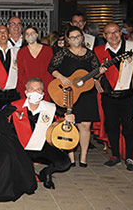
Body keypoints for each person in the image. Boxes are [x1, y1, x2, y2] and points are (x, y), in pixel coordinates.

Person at [0, 77, 73, 199]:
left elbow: (66, 120)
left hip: (41, 147)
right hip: (20, 149)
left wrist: (71, 119)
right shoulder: (13, 107)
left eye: (38, 90)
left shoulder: (51, 108)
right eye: (32, 89)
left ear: (43, 93)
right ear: (26, 92)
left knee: (64, 162)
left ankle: (45, 174)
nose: (35, 92)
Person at [49, 26, 100, 165]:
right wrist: (61, 77)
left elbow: (96, 71)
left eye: (78, 36)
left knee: (85, 126)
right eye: (72, 37)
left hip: (86, 93)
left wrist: (100, 71)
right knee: (71, 124)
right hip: (70, 92)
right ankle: (70, 157)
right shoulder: (63, 53)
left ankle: (83, 157)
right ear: (68, 39)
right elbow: (51, 68)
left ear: (82, 37)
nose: (76, 39)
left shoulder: (90, 54)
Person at [94, 21, 133, 171]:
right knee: (111, 127)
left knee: (130, 127)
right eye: (109, 33)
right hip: (109, 96)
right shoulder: (98, 50)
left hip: (128, 96)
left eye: (115, 32)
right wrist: (96, 79)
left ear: (121, 33)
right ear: (104, 35)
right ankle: (115, 155)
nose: (113, 35)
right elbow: (92, 70)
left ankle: (130, 158)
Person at [0, 23, 20, 113]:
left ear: (9, 35)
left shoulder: (16, 51)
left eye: (5, 32)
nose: (3, 34)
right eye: (0, 32)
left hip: (13, 94)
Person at [17, 26, 54, 98]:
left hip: (45, 88)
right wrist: (24, 87)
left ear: (37, 35)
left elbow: (51, 69)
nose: (30, 35)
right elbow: (21, 72)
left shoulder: (47, 50)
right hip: (28, 89)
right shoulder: (22, 52)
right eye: (27, 34)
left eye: (32, 33)